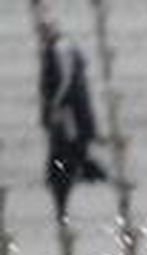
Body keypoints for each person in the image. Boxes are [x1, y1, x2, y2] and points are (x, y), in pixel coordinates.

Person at [38, 16, 110, 220]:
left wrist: (54, 106)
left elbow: (65, 82)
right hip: (70, 116)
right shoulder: (54, 50)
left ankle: (73, 189)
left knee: (68, 155)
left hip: (72, 116)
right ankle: (66, 192)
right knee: (69, 155)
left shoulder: (61, 49)